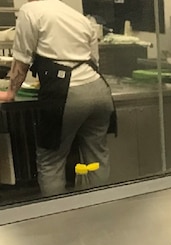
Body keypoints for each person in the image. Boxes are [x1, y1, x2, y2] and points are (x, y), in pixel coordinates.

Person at [0, 0, 115, 195]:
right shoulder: (77, 16)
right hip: (99, 89)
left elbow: (22, 59)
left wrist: (11, 93)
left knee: (51, 160)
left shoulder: (30, 11)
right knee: (97, 157)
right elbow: (94, 60)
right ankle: (100, 210)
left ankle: (55, 217)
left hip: (68, 94)